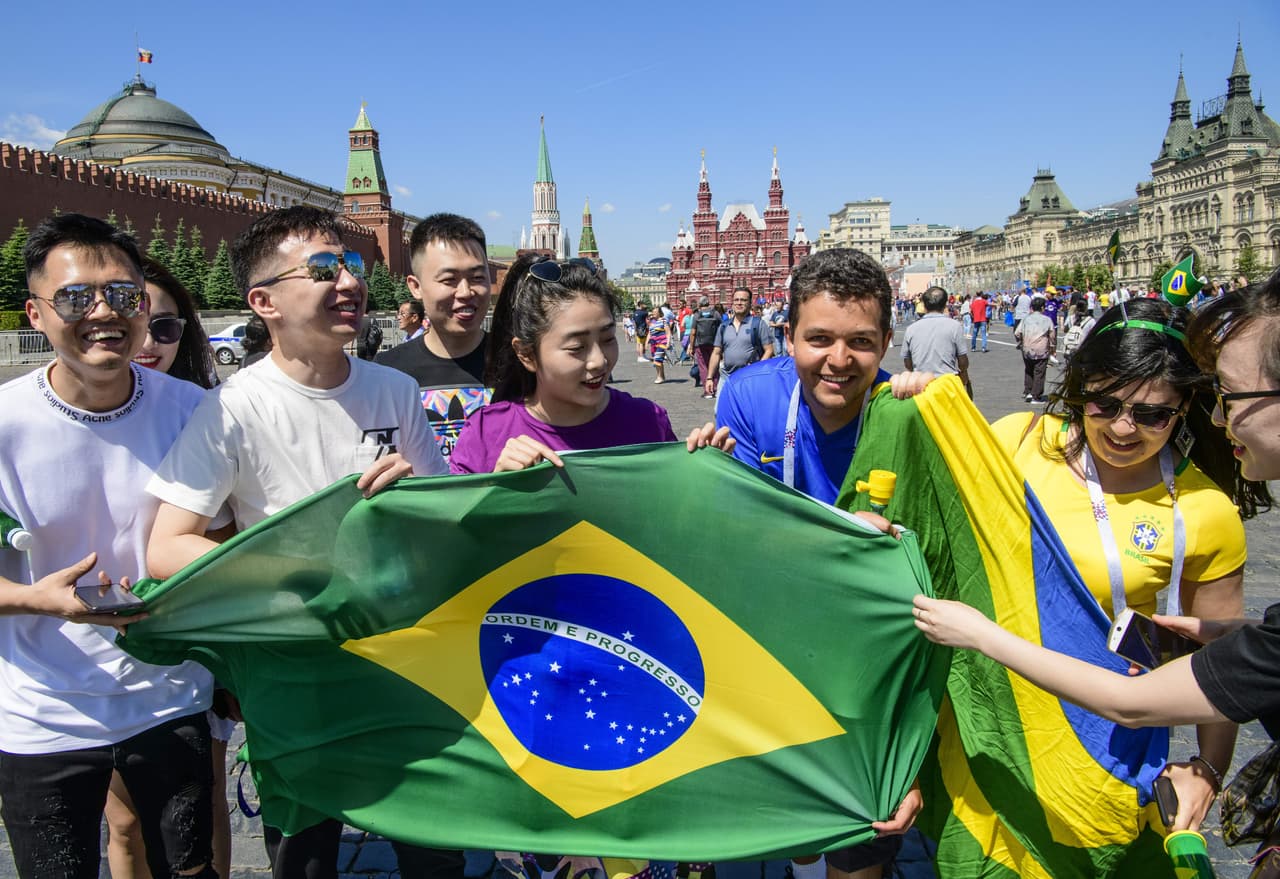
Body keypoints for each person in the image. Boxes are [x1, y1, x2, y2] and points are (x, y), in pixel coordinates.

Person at [914, 276, 1280, 844]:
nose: (1123, 428)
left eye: (1153, 415)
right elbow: (930, 516)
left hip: (1105, 733)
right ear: (1081, 387)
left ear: (1185, 407)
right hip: (991, 717)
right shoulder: (1016, 440)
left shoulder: (1205, 508)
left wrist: (1208, 768)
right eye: (1103, 404)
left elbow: (1222, 663)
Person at [145, 206, 448, 879]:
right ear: (264, 302)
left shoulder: (394, 392)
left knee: (434, 850)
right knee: (306, 859)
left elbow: (444, 529)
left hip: (401, 666)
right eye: (321, 269)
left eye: (352, 265)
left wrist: (416, 509)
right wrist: (296, 575)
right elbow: (167, 546)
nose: (347, 281)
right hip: (295, 675)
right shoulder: (232, 407)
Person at [1, 213, 217, 879]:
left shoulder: (194, 410)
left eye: (123, 295)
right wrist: (34, 599)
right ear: (36, 312)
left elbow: (240, 532)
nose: (104, 312)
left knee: (187, 869)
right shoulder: (5, 423)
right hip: (41, 708)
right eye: (76, 298)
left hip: (169, 692)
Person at [714, 248, 932, 879]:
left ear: (888, 340)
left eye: (861, 342)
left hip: (872, 672)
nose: (839, 361)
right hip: (776, 656)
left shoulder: (909, 413)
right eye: (819, 339)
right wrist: (837, 538)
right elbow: (730, 538)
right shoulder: (751, 396)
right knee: (798, 836)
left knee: (865, 833)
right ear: (787, 336)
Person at [111, 258, 229, 879]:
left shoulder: (205, 412)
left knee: (201, 808)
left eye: (168, 328)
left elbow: (234, 529)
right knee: (126, 820)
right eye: (140, 324)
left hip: (194, 649)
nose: (151, 342)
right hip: (95, 645)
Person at [375, 214, 493, 461]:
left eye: (478, 278)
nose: (465, 292)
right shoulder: (386, 373)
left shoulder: (520, 365)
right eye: (449, 280)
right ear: (415, 286)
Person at [901, 286, 970, 397]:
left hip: (921, 388)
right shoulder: (954, 326)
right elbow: (963, 361)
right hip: (947, 387)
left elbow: (907, 363)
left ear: (924, 305)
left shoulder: (911, 329)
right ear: (944, 305)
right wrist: (964, 373)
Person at [705, 286, 773, 395]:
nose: (739, 303)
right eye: (736, 300)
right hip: (727, 376)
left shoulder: (758, 324)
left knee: (747, 410)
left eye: (743, 300)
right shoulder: (724, 326)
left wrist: (758, 369)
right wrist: (709, 378)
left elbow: (769, 350)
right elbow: (716, 353)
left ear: (750, 303)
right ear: (732, 303)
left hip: (749, 377)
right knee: (719, 410)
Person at [1014, 296, 1055, 404]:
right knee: (1039, 372)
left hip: (1027, 349)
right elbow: (1052, 335)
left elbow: (1017, 333)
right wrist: (1052, 347)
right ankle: (1036, 396)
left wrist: (1021, 342)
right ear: (1042, 308)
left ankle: (1028, 391)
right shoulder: (1047, 320)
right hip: (1041, 350)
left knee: (1029, 370)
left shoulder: (1026, 319)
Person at [690, 297, 721, 399]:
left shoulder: (697, 315)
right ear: (708, 303)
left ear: (700, 304)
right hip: (714, 344)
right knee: (715, 366)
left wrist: (691, 346)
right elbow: (721, 329)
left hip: (700, 344)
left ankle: (707, 392)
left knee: (703, 367)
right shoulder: (715, 313)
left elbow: (693, 332)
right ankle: (715, 389)